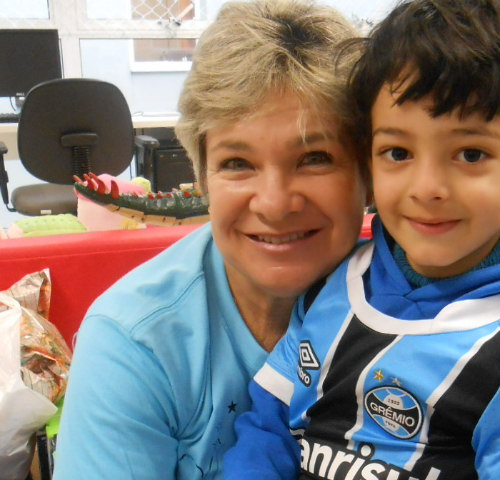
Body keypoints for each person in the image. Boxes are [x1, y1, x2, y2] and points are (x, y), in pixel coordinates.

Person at [223, 1, 500, 478]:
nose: (426, 187)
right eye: (398, 152)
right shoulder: (334, 281)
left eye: (470, 153)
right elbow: (269, 428)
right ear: (367, 161)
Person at [52, 1, 368, 478]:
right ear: (202, 175)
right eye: (238, 163)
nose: (275, 203)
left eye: (315, 158)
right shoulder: (137, 342)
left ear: (368, 171)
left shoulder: (435, 304)